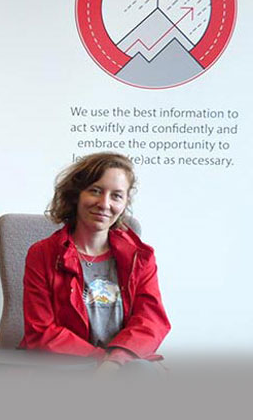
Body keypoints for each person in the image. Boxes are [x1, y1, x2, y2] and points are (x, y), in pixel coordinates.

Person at [21, 152, 169, 369]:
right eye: (95, 191)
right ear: (76, 195)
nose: (104, 204)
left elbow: (151, 323)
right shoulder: (42, 254)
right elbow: (40, 331)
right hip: (66, 366)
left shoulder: (140, 257)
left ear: (125, 202)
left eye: (116, 196)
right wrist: (102, 362)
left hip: (125, 365)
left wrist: (115, 363)